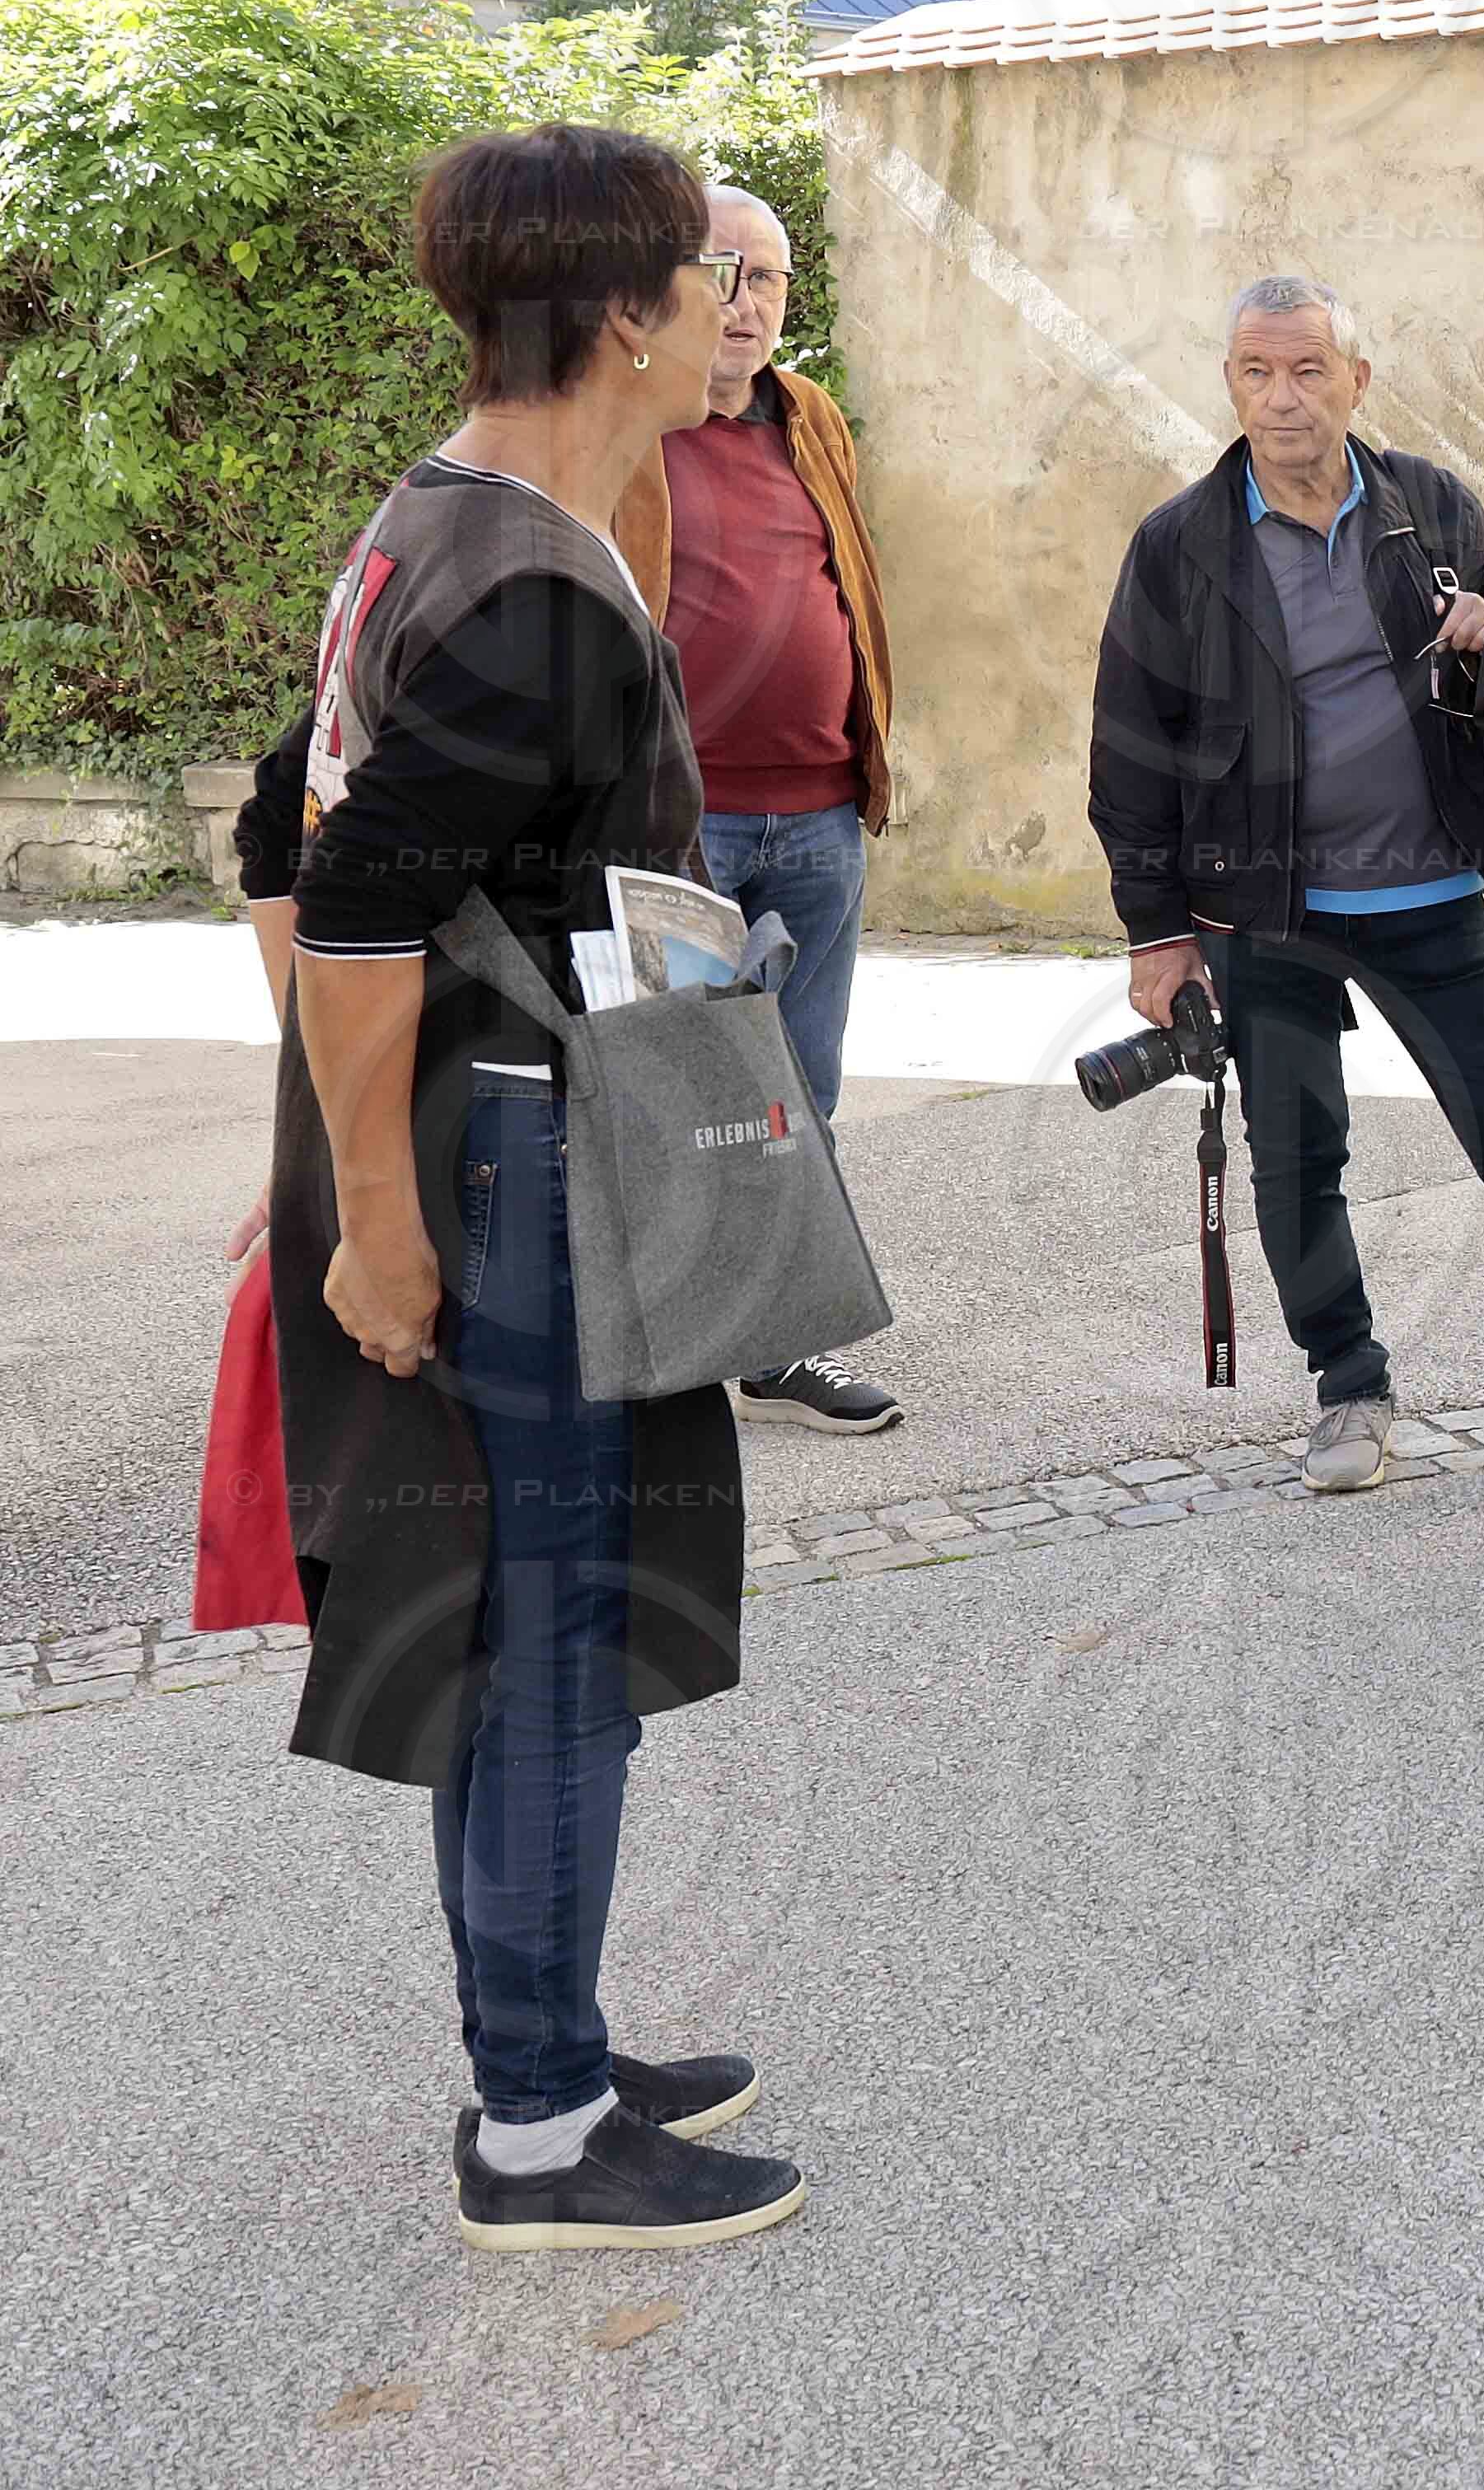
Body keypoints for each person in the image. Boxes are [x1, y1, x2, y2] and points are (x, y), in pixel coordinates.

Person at [273, 124, 804, 2250]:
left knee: (532, 1636)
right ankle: (537, 2131)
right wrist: (373, 1217)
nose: (728, 316)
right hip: (519, 1160)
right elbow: (352, 910)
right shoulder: (531, 600)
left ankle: (547, 2032)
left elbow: (283, 836)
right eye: (698, 279)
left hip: (495, 1135)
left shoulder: (452, 520)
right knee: (554, 1644)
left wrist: (338, 1164)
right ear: (617, 315)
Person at [1084, 278, 1484, 1493]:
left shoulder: (1428, 505)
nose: (1283, 397)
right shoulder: (1180, 546)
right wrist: (1155, 935)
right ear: (1231, 384)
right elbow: (1130, 750)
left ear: (1356, 381)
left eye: (1309, 370)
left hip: (1426, 892)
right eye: (1258, 373)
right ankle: (1349, 1388)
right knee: (1297, 1160)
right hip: (1261, 911)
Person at [613, 181, 904, 1437]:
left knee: (802, 1088)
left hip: (820, 816)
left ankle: (787, 1340)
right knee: (679, 1088)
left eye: (771, 279)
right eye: (722, 271)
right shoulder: (627, 423)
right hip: (686, 824)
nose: (747, 303)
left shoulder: (811, 418)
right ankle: (676, 1342)